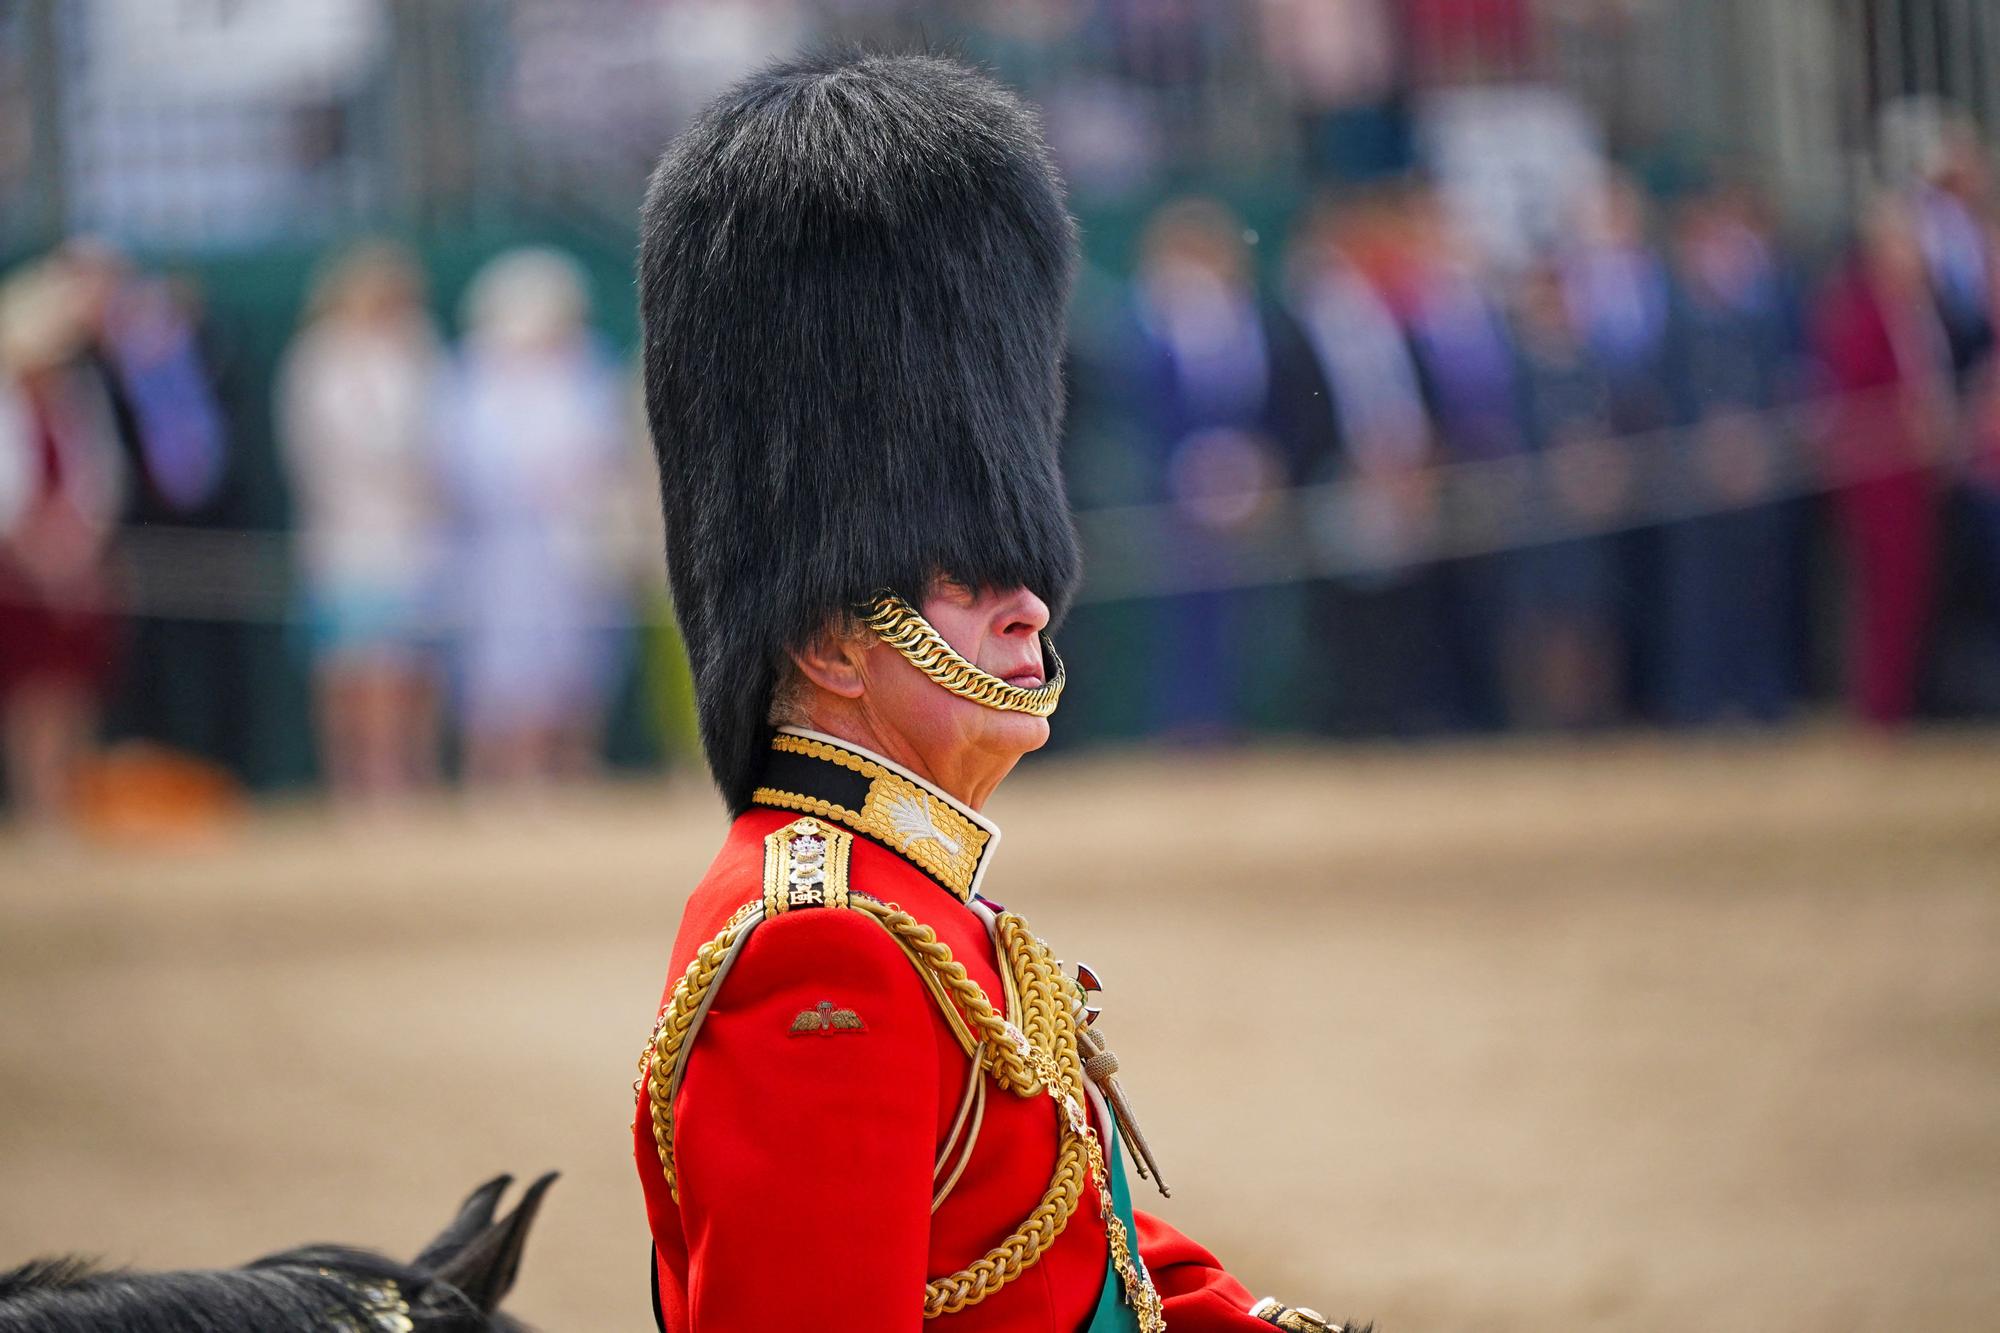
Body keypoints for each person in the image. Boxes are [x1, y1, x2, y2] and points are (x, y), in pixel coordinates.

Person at [631, 51, 1357, 1333]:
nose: (1027, 603)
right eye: (967, 580)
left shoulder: (916, 895)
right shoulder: (821, 946)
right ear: (829, 643)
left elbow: (1091, 1259)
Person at [276, 243, 444, 806]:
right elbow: (318, 451)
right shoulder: (319, 359)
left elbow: (437, 437)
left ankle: (408, 771)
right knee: (352, 664)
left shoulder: (418, 352)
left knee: (409, 664)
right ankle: (356, 778)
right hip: (347, 533)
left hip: (416, 534)